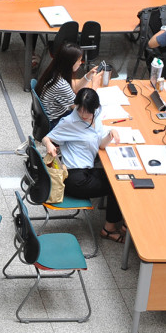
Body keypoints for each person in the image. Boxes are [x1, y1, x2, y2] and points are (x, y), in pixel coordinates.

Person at [42, 88, 124, 242]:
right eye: (80, 110)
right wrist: (48, 145)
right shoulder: (70, 122)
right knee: (116, 186)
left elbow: (101, 145)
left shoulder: (97, 115)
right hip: (75, 178)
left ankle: (121, 221)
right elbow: (46, 138)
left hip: (87, 171)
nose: (83, 115)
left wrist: (110, 133)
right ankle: (109, 229)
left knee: (118, 178)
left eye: (87, 111)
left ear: (96, 108)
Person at [35, 42, 98, 131]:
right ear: (71, 62)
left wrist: (88, 76)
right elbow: (84, 110)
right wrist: (95, 85)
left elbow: (75, 89)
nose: (81, 63)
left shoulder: (55, 72)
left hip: (52, 116)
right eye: (79, 60)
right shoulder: (61, 84)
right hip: (54, 123)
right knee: (93, 120)